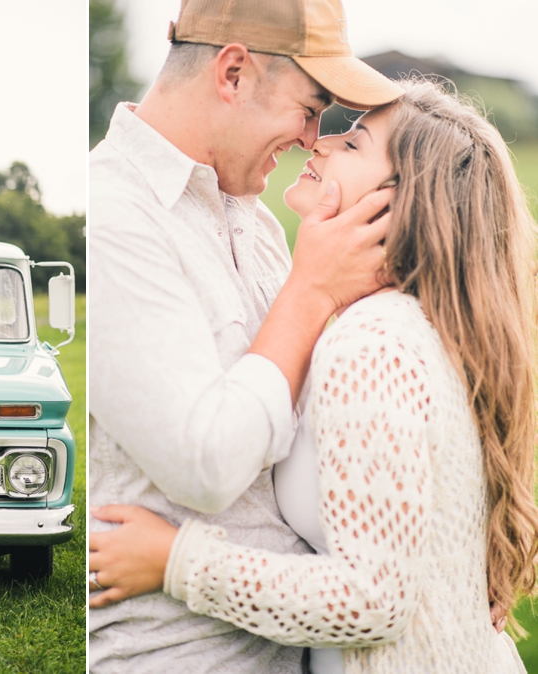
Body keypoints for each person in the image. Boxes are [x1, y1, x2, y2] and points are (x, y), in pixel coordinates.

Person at [89, 79, 538, 673]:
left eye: (352, 145)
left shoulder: (375, 346)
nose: (318, 145)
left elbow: (373, 600)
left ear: (399, 203)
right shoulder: (401, 328)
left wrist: (176, 559)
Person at [89, 0, 403, 670]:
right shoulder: (112, 213)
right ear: (233, 74)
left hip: (293, 644)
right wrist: (312, 291)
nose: (314, 137)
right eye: (310, 107)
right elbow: (207, 466)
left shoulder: (254, 222)